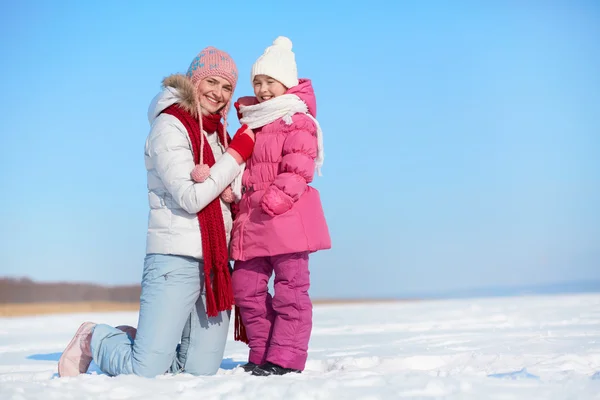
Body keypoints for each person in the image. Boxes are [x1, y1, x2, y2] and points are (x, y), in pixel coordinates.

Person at [57, 46, 255, 378]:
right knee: (144, 371)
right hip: (173, 257)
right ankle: (95, 337)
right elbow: (191, 197)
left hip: (215, 264)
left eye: (227, 88)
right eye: (212, 82)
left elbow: (227, 190)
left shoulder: (220, 135)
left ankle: (144, 342)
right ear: (194, 80)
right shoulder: (170, 126)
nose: (218, 94)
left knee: (200, 370)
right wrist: (237, 154)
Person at [229, 36, 331, 376]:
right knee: (246, 290)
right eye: (257, 82)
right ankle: (261, 351)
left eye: (269, 81)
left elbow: (298, 166)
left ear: (285, 83)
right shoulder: (251, 122)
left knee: (290, 293)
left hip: (284, 218)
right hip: (252, 219)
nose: (262, 89)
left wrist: (275, 199)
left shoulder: (297, 120)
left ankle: (284, 358)